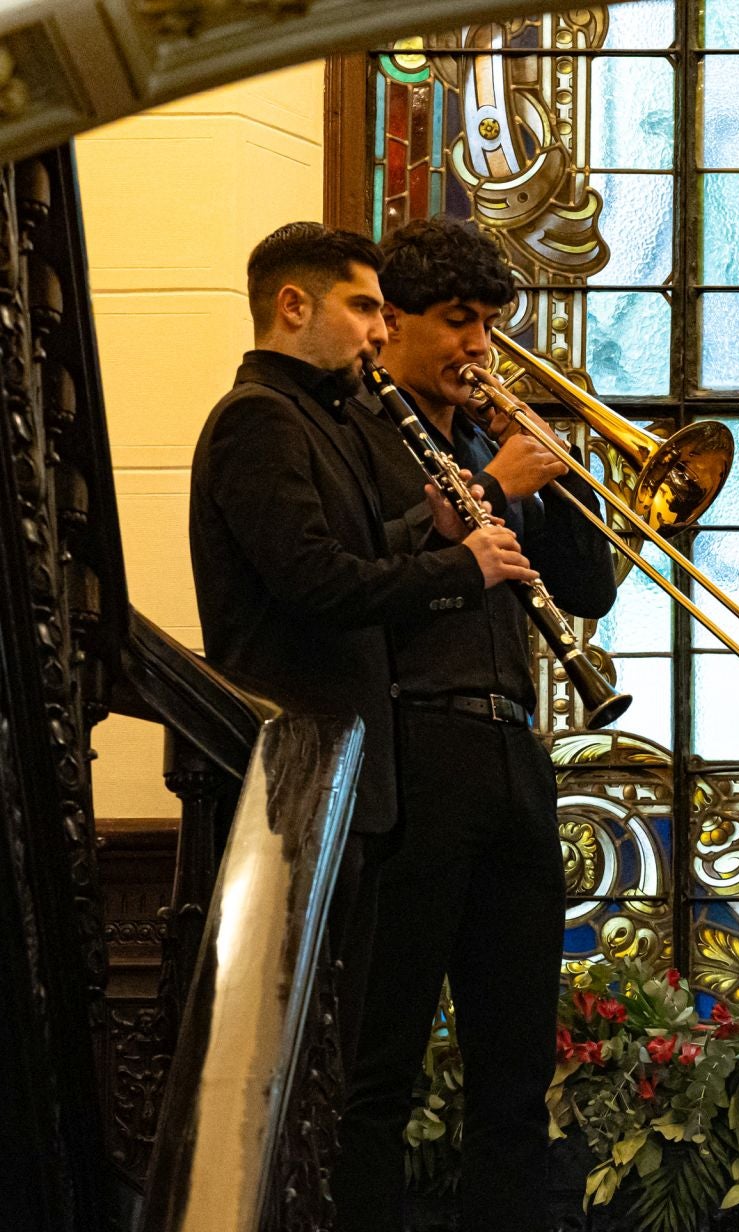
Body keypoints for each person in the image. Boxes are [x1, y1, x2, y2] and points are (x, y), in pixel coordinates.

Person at [329, 216, 616, 1232]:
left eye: (491, 322)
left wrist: (562, 470)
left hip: (513, 757)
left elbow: (587, 589)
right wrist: (494, 479)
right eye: (459, 321)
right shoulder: (353, 430)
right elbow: (354, 571)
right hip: (414, 749)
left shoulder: (478, 435)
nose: (480, 346)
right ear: (390, 320)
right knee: (381, 1066)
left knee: (514, 1075)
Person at [187, 222, 537, 1063]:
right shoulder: (259, 419)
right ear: (293, 304)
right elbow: (322, 584)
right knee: (346, 1075)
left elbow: (363, 558)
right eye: (364, 308)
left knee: (370, 1070)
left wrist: (440, 524)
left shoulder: (323, 421)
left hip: (347, 774)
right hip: (300, 769)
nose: (379, 331)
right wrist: (460, 564)